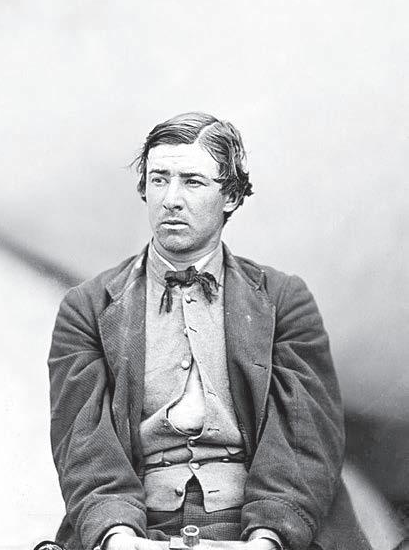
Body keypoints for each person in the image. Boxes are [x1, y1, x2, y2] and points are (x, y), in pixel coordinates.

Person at [47, 112, 370, 550]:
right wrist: (118, 537)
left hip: (257, 527)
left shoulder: (284, 302)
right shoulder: (86, 308)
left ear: (230, 196)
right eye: (159, 180)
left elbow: (303, 439)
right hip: (137, 528)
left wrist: (267, 539)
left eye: (193, 182)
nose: (171, 199)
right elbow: (84, 447)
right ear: (144, 189)